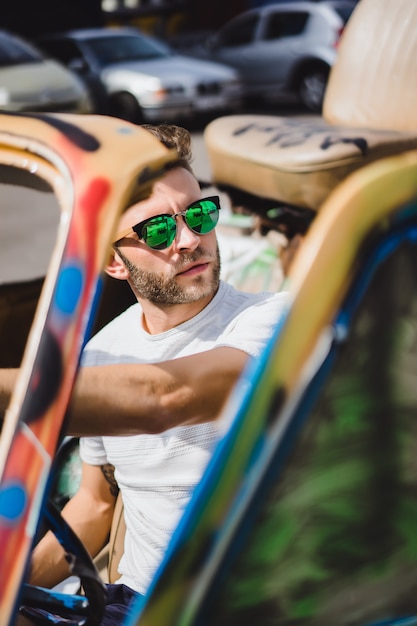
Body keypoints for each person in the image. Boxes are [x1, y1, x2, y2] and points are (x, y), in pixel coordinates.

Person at [4, 123, 288, 626]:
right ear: (115, 264)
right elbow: (95, 505)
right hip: (129, 600)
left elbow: (167, 397)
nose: (188, 240)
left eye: (199, 215)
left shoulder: (273, 318)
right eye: (158, 229)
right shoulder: (100, 353)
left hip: (234, 602)